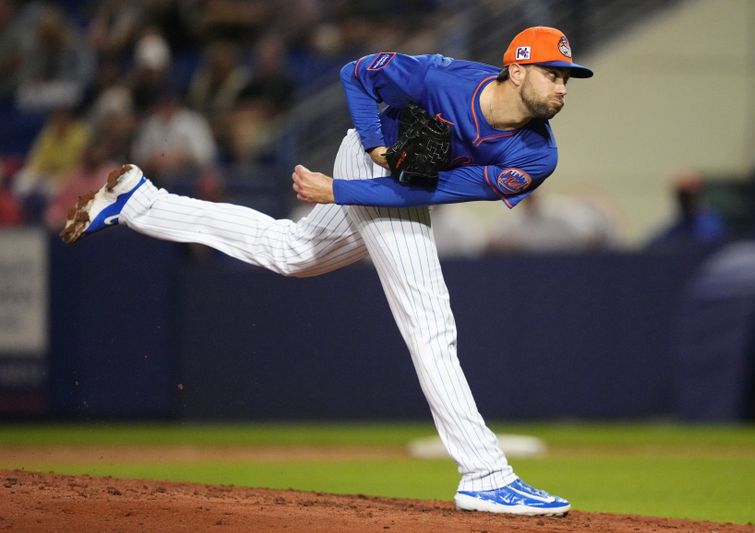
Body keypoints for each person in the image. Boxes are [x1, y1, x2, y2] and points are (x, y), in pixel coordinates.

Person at [60, 26, 593, 516]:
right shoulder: (439, 76)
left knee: (293, 253)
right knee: (430, 321)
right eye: (553, 73)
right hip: (368, 162)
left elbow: (427, 190)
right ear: (517, 69)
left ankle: (140, 203)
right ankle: (485, 473)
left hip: (394, 186)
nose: (563, 88)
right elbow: (356, 72)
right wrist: (373, 145)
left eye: (567, 77)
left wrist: (336, 192)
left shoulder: (535, 157)